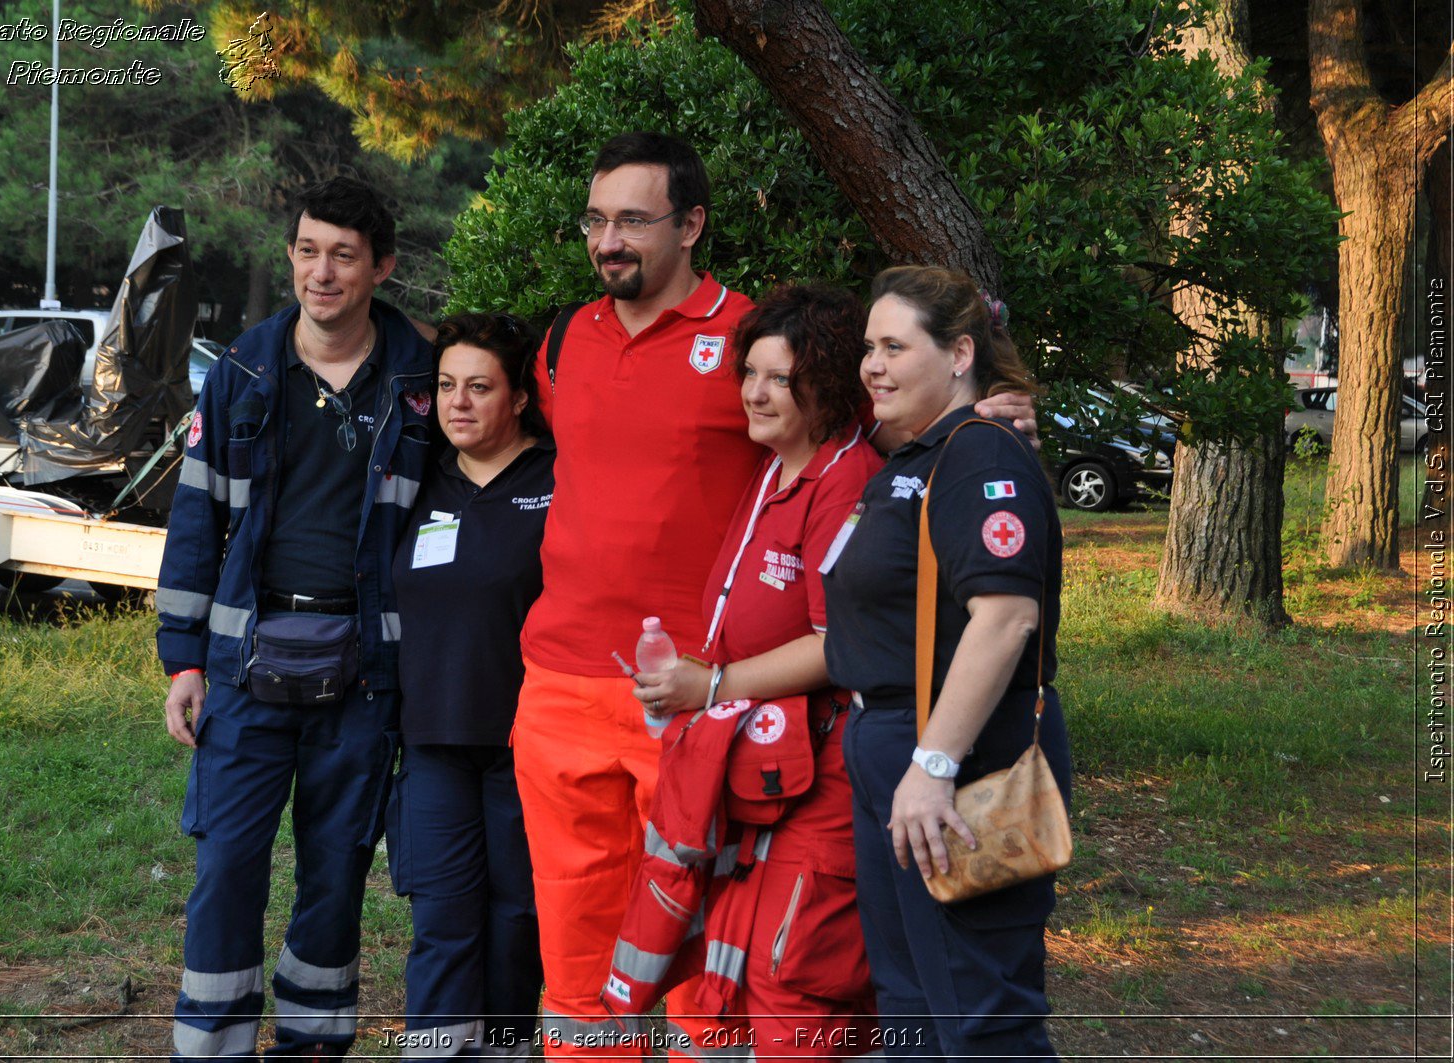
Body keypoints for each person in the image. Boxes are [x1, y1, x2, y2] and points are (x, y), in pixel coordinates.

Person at [513, 131, 1037, 1059]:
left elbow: (881, 454)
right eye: (597, 220)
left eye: (634, 218)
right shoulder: (565, 343)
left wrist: (981, 414)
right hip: (573, 686)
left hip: (729, 712)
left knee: (731, 958)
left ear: (692, 225)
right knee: (591, 951)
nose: (610, 239)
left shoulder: (770, 361)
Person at [156, 176, 435, 1060]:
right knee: (227, 865)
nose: (323, 272)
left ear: (380, 267)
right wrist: (183, 662)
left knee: (336, 872)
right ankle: (212, 1045)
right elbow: (196, 518)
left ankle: (311, 1043)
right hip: (244, 666)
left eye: (345, 255)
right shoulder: (242, 370)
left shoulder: (422, 384)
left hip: (363, 673)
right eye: (309, 250)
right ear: (291, 254)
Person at [621, 283, 884, 1057]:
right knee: (731, 979)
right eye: (751, 373)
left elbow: (842, 644)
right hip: (759, 776)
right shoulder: (773, 468)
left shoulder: (846, 480)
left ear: (827, 385)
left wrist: (713, 687)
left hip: (821, 782)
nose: (756, 392)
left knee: (794, 977)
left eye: (780, 378)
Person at [823, 265, 1072, 1061]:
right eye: (870, 346)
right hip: (894, 753)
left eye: (895, 346)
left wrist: (932, 762)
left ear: (960, 352)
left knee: (981, 1014)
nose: (873, 365)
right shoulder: (915, 455)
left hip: (955, 760)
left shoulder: (977, 454)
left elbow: (1005, 619)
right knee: (911, 1004)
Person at [387, 313, 551, 1059]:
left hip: (528, 745)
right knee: (443, 920)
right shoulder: (417, 479)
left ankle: (508, 1050)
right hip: (432, 741)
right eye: (447, 385)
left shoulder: (557, 481)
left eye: (480, 387)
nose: (458, 402)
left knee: (518, 917)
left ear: (518, 397)